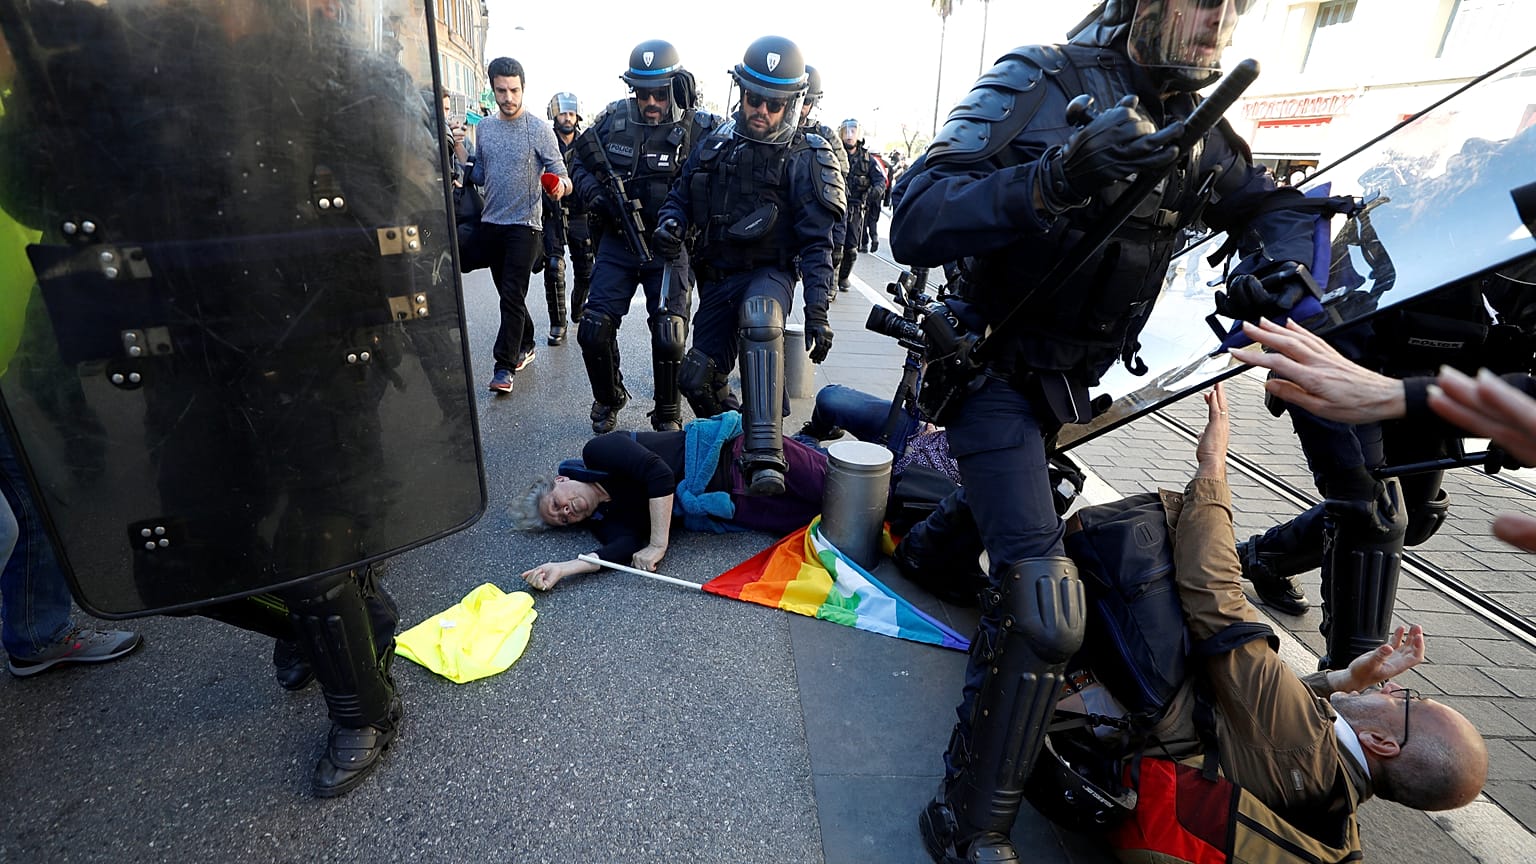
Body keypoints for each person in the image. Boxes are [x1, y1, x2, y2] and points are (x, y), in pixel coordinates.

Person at [888, 2, 1319, 860]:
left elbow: (1274, 205)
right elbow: (915, 217)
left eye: (1238, 3)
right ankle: (967, 825)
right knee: (1045, 602)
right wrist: (1054, 177)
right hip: (992, 364)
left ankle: (933, 553)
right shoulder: (1040, 76)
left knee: (1038, 488)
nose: (1221, 17)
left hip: (1075, 380)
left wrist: (1281, 265)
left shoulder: (1201, 121)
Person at [1045, 384, 1487, 844]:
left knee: (1156, 541)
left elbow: (1214, 597)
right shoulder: (1333, 785)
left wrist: (1212, 465)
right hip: (1181, 728)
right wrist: (1346, 679)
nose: (1394, 688)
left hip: (1132, 714)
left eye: (1408, 701)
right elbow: (1258, 716)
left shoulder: (1303, 739)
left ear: (1382, 743)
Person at [655, 35, 844, 497]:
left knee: (761, 316)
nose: (761, 110)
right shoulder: (716, 142)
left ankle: (767, 459)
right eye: (754, 99)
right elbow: (680, 196)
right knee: (695, 378)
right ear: (741, 92)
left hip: (769, 273)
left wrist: (818, 311)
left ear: (791, 104)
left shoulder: (807, 155)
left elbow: (819, 244)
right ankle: (739, 437)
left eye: (774, 104)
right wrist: (671, 222)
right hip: (718, 277)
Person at [1232, 316, 1536, 555]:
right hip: (1357, 362)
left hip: (1444, 375)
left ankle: (1264, 558)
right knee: (1368, 510)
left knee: (1416, 517)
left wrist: (1516, 417)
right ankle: (1243, 564)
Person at [569, 40, 720, 434]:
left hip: (670, 245)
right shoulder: (613, 119)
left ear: (675, 88)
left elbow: (725, 176)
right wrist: (594, 194)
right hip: (618, 240)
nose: (650, 102)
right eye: (642, 93)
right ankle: (608, 397)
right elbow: (577, 161)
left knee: (670, 332)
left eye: (659, 93)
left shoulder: (699, 128)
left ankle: (667, 412)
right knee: (594, 328)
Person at [511, 413, 828, 590]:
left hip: (737, 455)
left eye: (557, 505)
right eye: (563, 520)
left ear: (561, 480)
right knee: (826, 523)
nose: (566, 512)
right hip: (735, 504)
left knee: (835, 486)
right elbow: (619, 550)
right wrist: (562, 569)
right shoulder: (607, 520)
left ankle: (831, 420)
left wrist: (658, 544)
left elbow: (658, 474)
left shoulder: (598, 452)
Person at [452, 56, 572, 394]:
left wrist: (559, 187)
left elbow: (563, 175)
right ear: (493, 89)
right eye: (502, 91)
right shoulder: (486, 128)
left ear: (523, 88)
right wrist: (459, 145)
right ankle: (527, 342)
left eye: (514, 90)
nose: (508, 97)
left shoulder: (538, 129)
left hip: (525, 226)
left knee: (511, 295)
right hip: (492, 223)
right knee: (509, 295)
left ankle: (503, 367)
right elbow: (479, 174)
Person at [540, 91, 596, 347]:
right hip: (552, 211)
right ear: (555, 115)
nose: (567, 118)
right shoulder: (546, 140)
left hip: (580, 212)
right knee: (554, 266)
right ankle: (558, 323)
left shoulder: (586, 143)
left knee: (586, 268)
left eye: (571, 113)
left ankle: (578, 306)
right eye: (563, 113)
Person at [798, 66, 850, 306]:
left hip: (815, 219)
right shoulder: (766, 130)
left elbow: (838, 190)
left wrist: (838, 240)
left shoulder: (825, 136)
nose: (801, 107)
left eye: (806, 101)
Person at [835, 118, 883, 290]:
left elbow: (879, 180)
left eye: (853, 131)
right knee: (833, 247)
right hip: (834, 206)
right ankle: (829, 281)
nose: (849, 135)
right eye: (846, 131)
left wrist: (875, 191)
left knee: (850, 248)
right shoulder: (833, 153)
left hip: (855, 209)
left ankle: (843, 277)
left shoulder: (867, 159)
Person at [864, 149, 888, 253]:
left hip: (869, 194)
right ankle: (874, 237)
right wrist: (886, 200)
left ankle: (864, 244)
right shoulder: (885, 164)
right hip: (879, 195)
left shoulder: (869, 162)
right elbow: (887, 182)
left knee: (864, 219)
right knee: (873, 219)